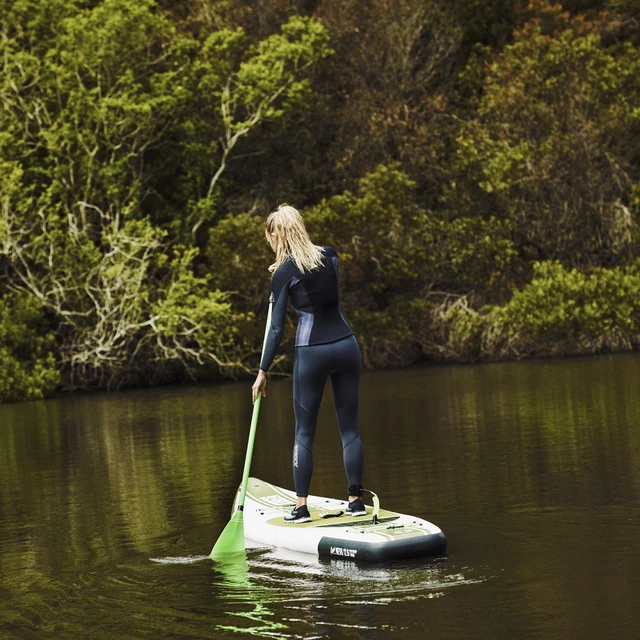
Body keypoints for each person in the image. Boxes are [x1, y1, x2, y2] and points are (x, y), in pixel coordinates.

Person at [251, 205, 366, 523]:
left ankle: (300, 508)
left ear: (276, 235)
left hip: (311, 351)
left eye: (269, 238)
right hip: (346, 345)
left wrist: (263, 371)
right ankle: (355, 500)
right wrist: (285, 266)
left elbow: (276, 329)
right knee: (350, 429)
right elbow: (317, 276)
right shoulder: (330, 255)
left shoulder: (283, 274)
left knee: (304, 432)